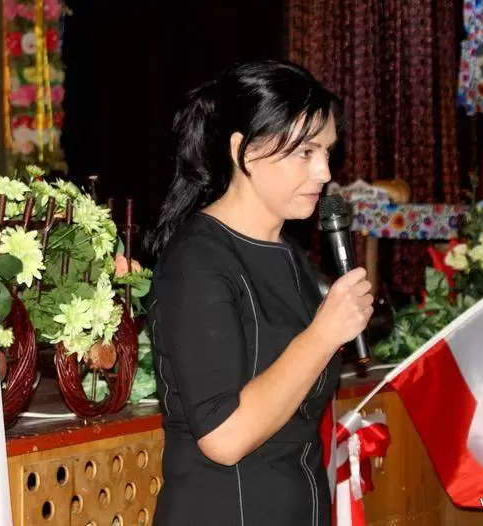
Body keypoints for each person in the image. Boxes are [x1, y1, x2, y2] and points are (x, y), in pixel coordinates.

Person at [143, 60, 374, 526]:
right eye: (305, 152)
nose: (324, 171)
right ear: (243, 151)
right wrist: (322, 335)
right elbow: (224, 437)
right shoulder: (196, 261)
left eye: (327, 152)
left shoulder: (293, 259)